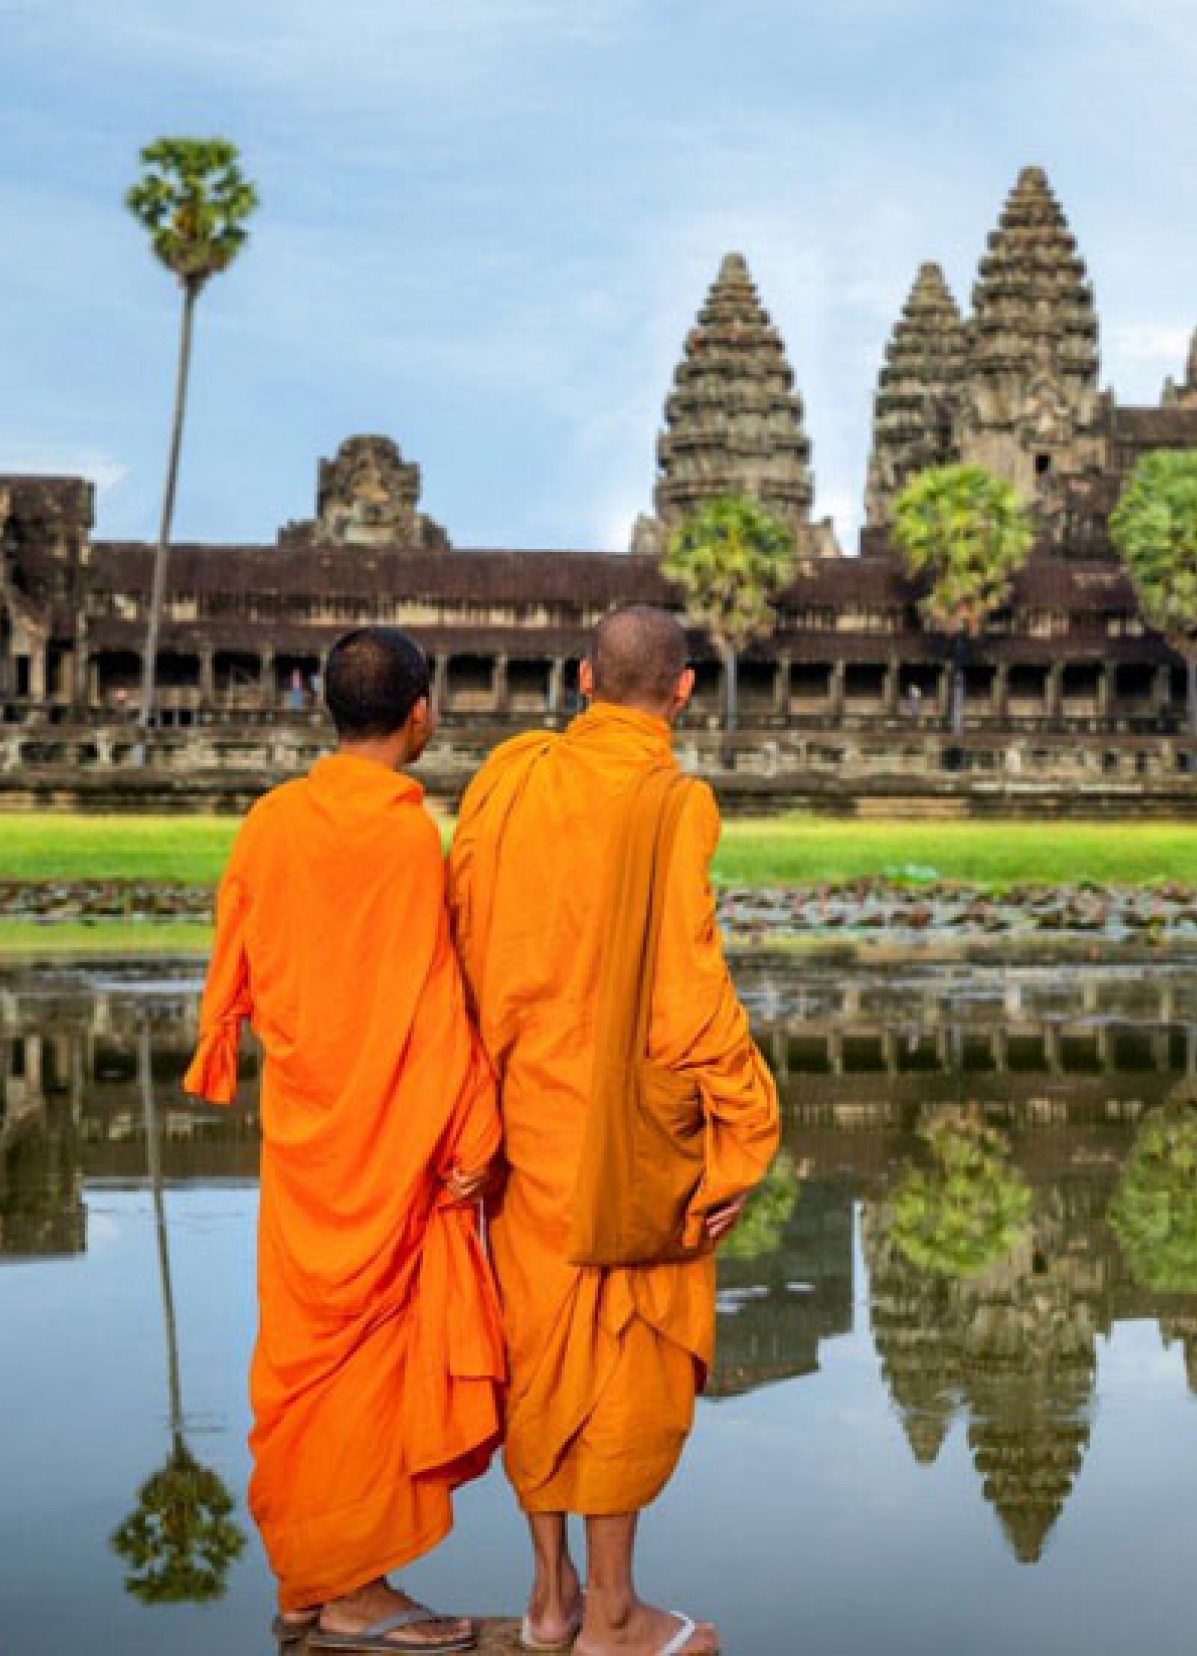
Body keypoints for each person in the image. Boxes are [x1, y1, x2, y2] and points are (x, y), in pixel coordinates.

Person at [449, 606, 780, 1656]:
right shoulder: (671, 799)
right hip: (626, 1135)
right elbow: (688, 988)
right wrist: (747, 1126)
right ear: (682, 692)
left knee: (539, 1352)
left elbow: (461, 930)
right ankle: (616, 1612)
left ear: (582, 676)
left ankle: (547, 1601)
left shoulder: (509, 776)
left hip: (519, 1117)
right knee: (622, 1354)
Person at [184, 627, 502, 1654]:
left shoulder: (271, 822)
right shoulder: (407, 836)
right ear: (423, 711)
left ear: (330, 709)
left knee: (301, 1357)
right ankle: (352, 1589)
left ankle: (308, 1582)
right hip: (384, 1137)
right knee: (361, 1360)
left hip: (311, 1129)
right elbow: (428, 997)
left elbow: (236, 960)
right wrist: (471, 1125)